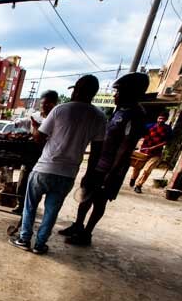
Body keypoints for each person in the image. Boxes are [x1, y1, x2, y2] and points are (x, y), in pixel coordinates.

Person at [10, 75, 107, 255]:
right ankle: (40, 245)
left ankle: (24, 239)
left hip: (44, 168)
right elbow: (97, 150)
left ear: (77, 89)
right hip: (68, 173)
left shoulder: (60, 110)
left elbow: (39, 138)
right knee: (51, 211)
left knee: (30, 206)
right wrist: (90, 174)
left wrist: (36, 128)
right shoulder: (99, 117)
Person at [62, 72, 149, 246]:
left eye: (119, 92)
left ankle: (87, 233)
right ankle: (78, 225)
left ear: (131, 92)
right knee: (86, 194)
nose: (115, 95)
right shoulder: (120, 111)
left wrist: (112, 172)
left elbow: (125, 147)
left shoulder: (135, 114)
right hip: (99, 163)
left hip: (110, 168)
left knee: (100, 200)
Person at [130, 110, 172, 193]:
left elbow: (166, 142)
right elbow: (140, 136)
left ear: (166, 119)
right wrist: (138, 147)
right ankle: (133, 178)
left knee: (147, 170)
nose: (161, 120)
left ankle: (139, 185)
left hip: (156, 153)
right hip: (143, 151)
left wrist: (153, 147)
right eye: (160, 118)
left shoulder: (168, 129)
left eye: (163, 119)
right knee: (137, 168)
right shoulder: (149, 126)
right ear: (157, 118)